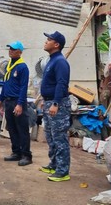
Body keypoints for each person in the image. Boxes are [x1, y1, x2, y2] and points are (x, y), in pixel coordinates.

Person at [39, 31, 71, 182]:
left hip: (58, 104)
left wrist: (56, 103)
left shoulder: (60, 62)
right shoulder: (51, 60)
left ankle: (63, 171)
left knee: (59, 138)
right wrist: (45, 100)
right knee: (51, 137)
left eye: (49, 39)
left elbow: (61, 84)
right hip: (49, 102)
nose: (46, 41)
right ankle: (54, 164)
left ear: (56, 44)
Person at [0, 41, 32, 166]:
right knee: (12, 129)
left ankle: (26, 155)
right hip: (9, 101)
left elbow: (23, 87)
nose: (10, 50)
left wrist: (20, 104)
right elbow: (6, 84)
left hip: (17, 102)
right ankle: (16, 152)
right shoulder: (9, 65)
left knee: (22, 129)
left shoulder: (22, 67)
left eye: (13, 49)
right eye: (10, 48)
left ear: (20, 52)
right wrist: (0, 99)